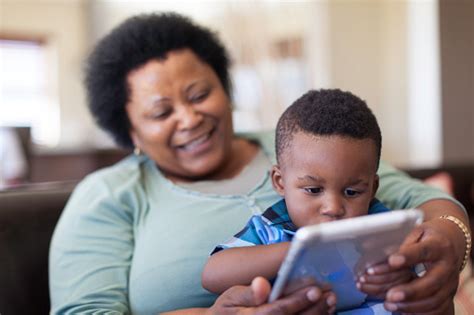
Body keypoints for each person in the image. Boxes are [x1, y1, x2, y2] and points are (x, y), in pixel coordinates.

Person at [48, 12, 471, 315]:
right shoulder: (108, 195)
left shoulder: (301, 143)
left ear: (226, 89)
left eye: (199, 95)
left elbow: (423, 200)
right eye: (162, 113)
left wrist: (449, 241)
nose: (190, 118)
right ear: (131, 132)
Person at [202, 89, 413, 314]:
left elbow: (416, 272)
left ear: (372, 189)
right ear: (280, 182)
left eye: (352, 192)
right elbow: (212, 275)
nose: (333, 208)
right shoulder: (271, 230)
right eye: (313, 190)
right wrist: (298, 252)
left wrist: (400, 271)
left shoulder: (381, 226)